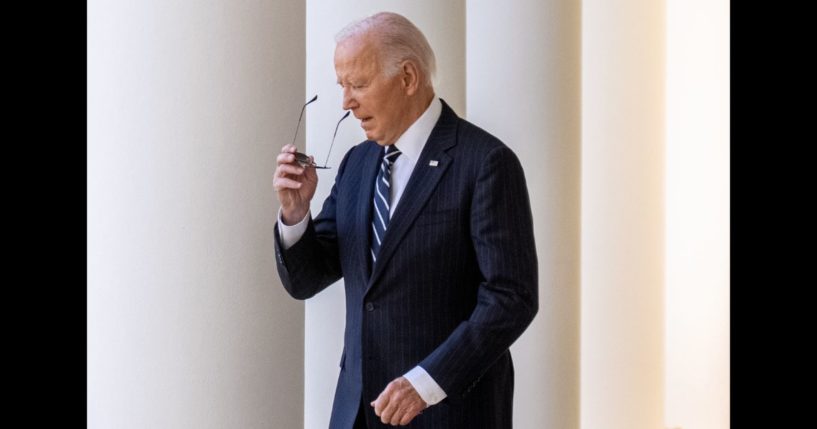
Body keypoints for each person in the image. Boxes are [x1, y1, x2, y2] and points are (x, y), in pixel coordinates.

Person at [273, 11, 538, 429]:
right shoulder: (356, 165)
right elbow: (308, 278)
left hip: (449, 412)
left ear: (409, 77)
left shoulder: (486, 163)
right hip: (358, 412)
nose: (346, 102)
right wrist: (295, 212)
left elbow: (511, 297)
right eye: (342, 86)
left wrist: (427, 382)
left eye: (358, 84)